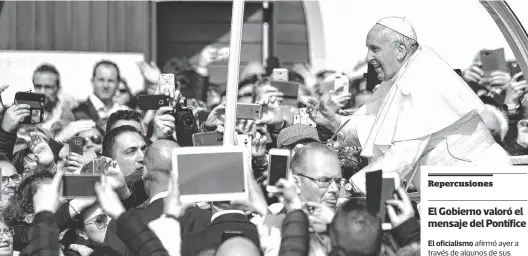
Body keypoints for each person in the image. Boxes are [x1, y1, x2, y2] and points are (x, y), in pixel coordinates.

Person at [307, 16, 511, 194]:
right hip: (456, 187)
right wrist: (335, 122)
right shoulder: (402, 74)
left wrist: (352, 187)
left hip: (479, 184)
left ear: (401, 50)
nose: (369, 57)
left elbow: (402, 156)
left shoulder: (421, 79)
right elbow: (376, 127)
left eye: (374, 49)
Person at [72, 60, 128, 128]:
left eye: (111, 81)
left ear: (118, 83)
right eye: (101, 80)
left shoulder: (125, 113)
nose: (106, 85)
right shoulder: (76, 113)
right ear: (93, 81)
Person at [32, 63, 76, 130]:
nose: (42, 92)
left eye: (48, 87)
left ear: (58, 88)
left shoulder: (66, 108)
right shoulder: (27, 108)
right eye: (38, 87)